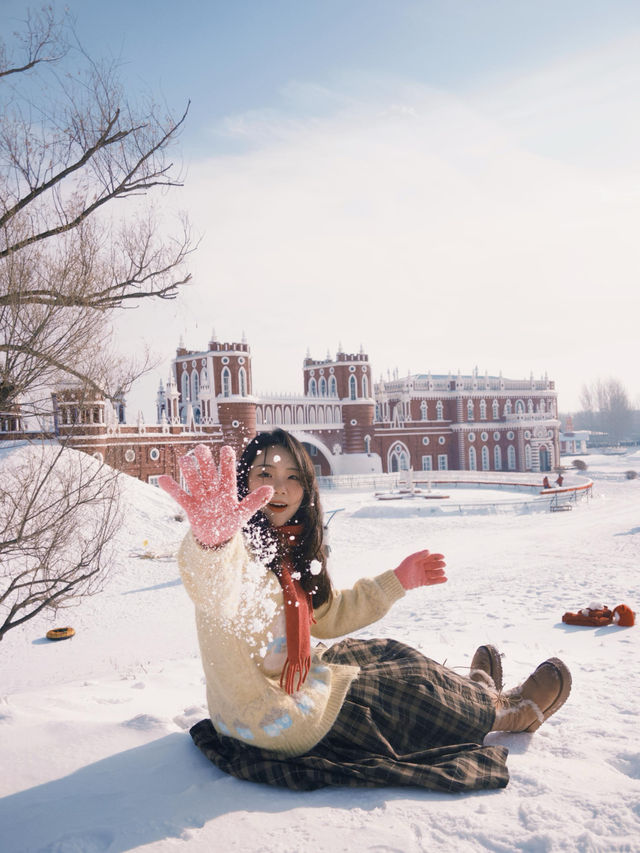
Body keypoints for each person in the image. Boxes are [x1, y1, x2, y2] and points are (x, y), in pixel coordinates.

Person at [159, 429, 571, 793]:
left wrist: (399, 580)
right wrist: (211, 543)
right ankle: (509, 713)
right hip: (266, 713)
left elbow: (330, 615)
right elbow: (213, 588)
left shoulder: (285, 551)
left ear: (307, 490)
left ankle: (479, 695)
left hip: (298, 678)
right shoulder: (234, 555)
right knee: (407, 691)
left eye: (293, 478)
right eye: (265, 475)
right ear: (243, 483)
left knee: (394, 655)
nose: (279, 489)